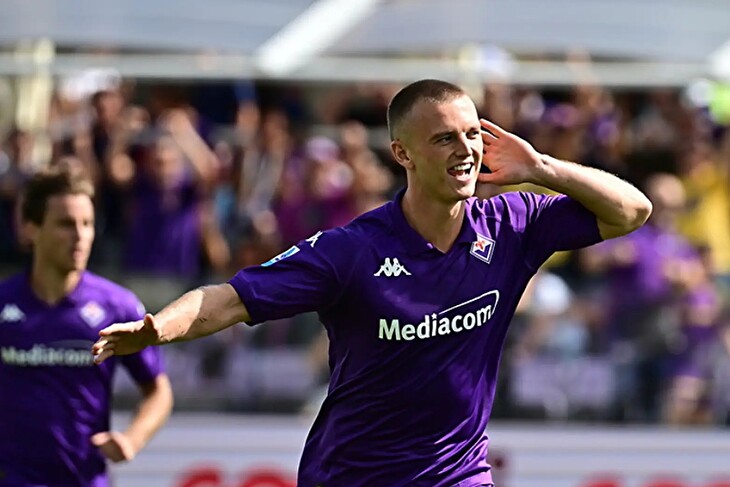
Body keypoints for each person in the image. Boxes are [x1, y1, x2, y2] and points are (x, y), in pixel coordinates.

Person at [93, 79, 652, 486]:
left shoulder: (511, 225)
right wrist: (157, 328)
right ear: (402, 153)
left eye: (472, 134)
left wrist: (542, 168)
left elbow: (632, 211)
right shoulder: (351, 251)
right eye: (444, 139)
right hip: (353, 474)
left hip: (457, 472)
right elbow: (231, 300)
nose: (465, 150)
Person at [0, 166, 173, 486]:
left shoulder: (117, 307)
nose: (80, 236)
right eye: (66, 224)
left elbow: (158, 390)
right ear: (31, 229)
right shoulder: (4, 303)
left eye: (88, 224)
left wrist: (132, 439)